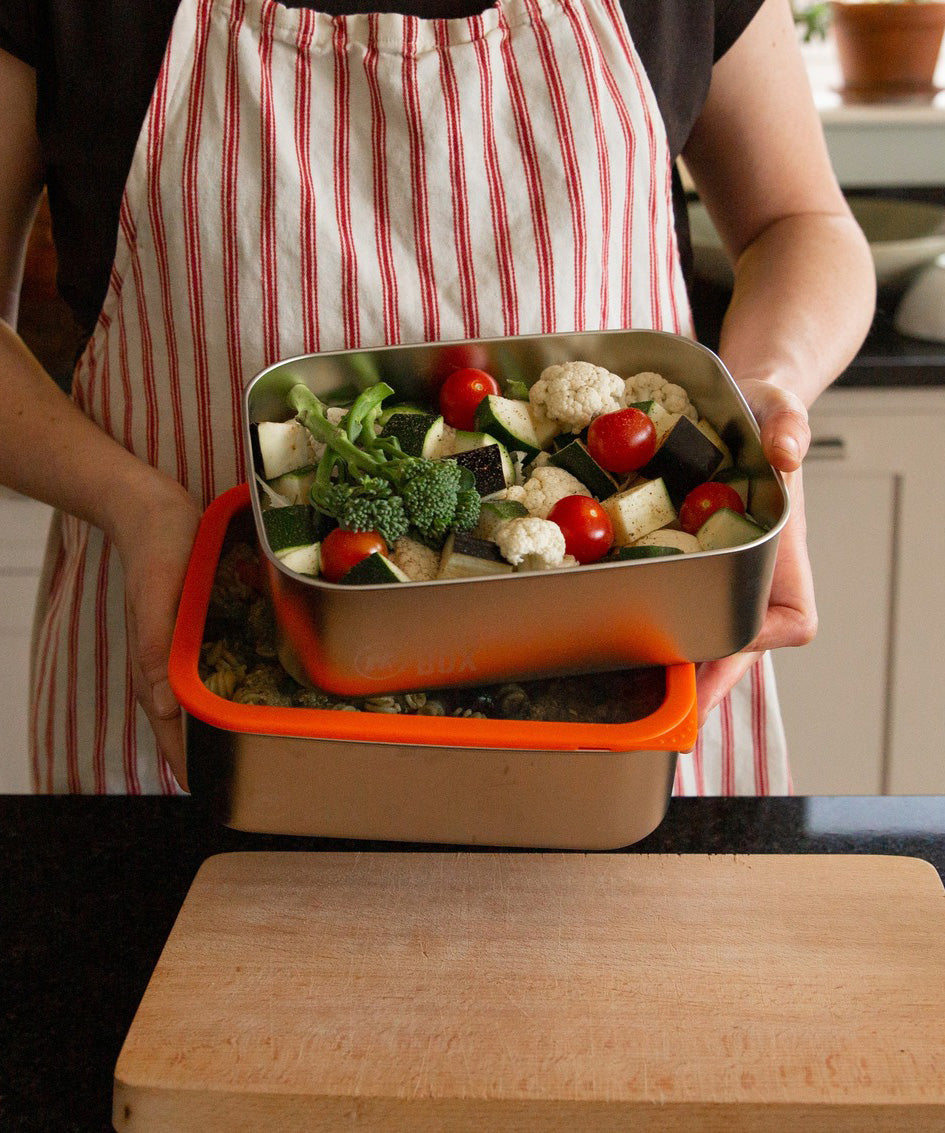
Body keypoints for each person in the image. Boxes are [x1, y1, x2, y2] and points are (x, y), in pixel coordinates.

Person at [0, 0, 874, 796]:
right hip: (194, 695)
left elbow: (798, 223)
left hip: (620, 722)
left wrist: (769, 393)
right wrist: (136, 502)